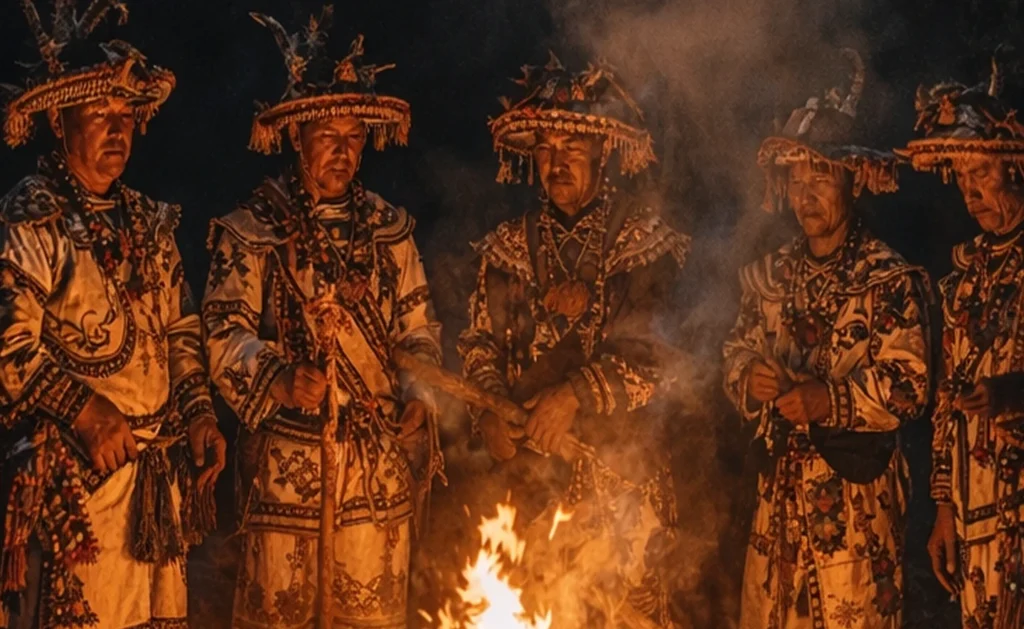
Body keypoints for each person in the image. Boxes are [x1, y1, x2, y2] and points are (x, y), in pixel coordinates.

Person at [202, 8, 443, 628]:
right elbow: (222, 333)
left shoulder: (390, 230)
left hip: (375, 473)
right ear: (297, 136)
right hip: (287, 475)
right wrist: (279, 378)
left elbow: (418, 330)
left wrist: (419, 398)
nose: (342, 151)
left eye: (354, 136)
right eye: (327, 135)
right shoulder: (253, 229)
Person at [0, 2, 226, 627]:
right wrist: (85, 410)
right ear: (59, 119)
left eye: (126, 116)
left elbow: (181, 331)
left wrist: (199, 413)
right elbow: (9, 351)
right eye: (100, 114)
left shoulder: (151, 222)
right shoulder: (32, 216)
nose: (117, 130)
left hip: (157, 482)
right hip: (78, 482)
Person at [458, 52, 691, 627]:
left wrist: (572, 396)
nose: (556, 162)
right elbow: (480, 346)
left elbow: (657, 355)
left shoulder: (643, 240)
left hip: (623, 480)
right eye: (545, 149)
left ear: (601, 152)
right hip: (532, 489)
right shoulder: (507, 248)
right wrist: (489, 413)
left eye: (571, 148)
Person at [722, 50, 931, 628]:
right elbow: (736, 350)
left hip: (856, 505)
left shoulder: (886, 278)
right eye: (796, 180)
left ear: (851, 181)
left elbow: (911, 386)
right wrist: (749, 377)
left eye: (820, 178)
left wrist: (828, 400)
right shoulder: (769, 276)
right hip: (778, 502)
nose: (806, 195)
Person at [899, 49, 1024, 629]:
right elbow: (947, 401)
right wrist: (944, 507)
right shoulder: (964, 280)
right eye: (963, 178)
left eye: (982, 174)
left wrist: (1008, 395)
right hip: (977, 508)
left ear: (1015, 167)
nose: (970, 192)